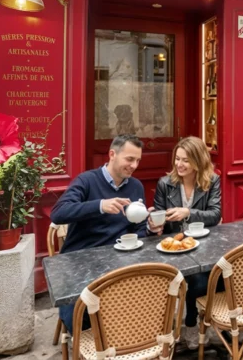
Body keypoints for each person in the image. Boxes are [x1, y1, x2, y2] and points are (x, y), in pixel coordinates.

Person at [50, 135, 163, 333]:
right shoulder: (87, 180)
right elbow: (58, 213)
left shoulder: (135, 186)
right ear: (112, 154)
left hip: (119, 262)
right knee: (78, 320)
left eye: (137, 160)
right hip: (81, 263)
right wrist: (100, 205)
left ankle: (125, 343)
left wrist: (149, 229)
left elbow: (137, 229)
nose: (134, 165)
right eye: (129, 159)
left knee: (151, 306)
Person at [152, 136, 222, 349]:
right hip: (173, 245)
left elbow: (216, 214)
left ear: (198, 161)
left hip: (203, 244)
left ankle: (191, 322)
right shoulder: (165, 184)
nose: (179, 165)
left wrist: (188, 213)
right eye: (177, 159)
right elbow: (158, 215)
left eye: (186, 160)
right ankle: (165, 326)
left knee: (202, 280)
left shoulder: (212, 180)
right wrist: (155, 222)